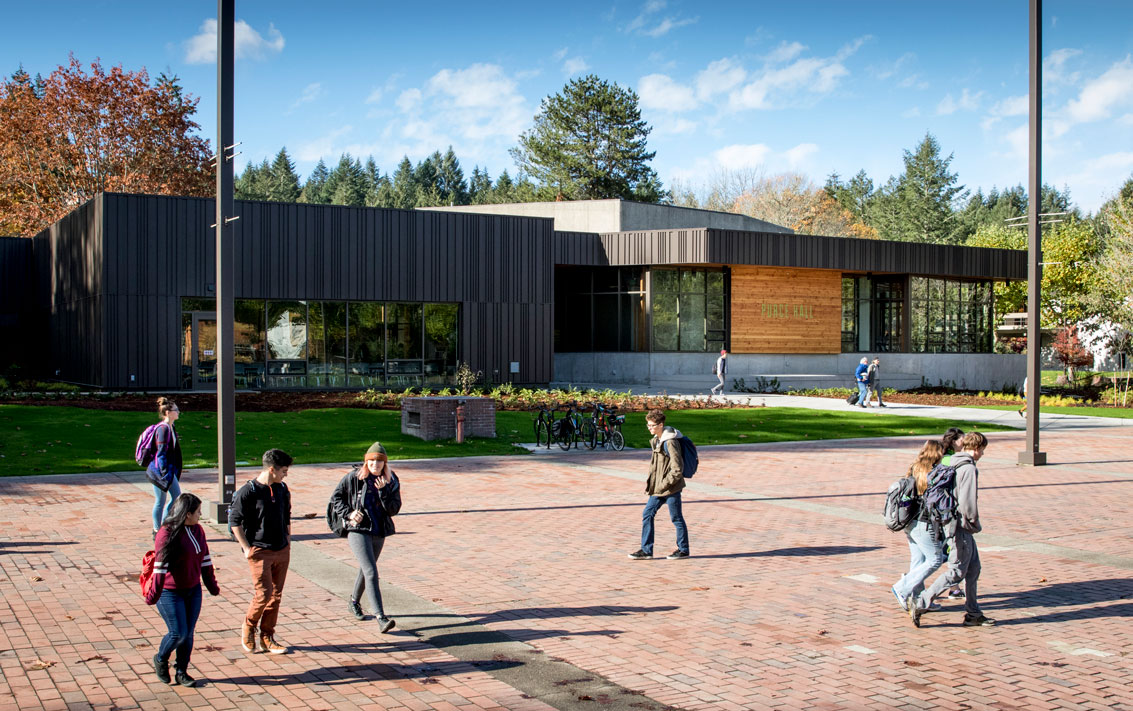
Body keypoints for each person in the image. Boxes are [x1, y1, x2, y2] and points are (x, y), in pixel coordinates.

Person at [910, 432, 994, 628]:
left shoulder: (950, 462)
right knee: (956, 571)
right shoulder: (968, 469)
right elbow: (967, 501)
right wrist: (973, 522)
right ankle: (921, 602)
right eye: (982, 450)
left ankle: (973, 613)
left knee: (973, 569)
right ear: (977, 448)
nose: (982, 454)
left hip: (950, 521)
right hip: (961, 525)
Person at [145, 493, 220, 687]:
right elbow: (160, 567)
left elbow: (205, 559)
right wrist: (153, 595)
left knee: (189, 633)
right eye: (197, 512)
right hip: (169, 592)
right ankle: (161, 659)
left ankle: (181, 671)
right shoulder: (166, 533)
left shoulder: (198, 530)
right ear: (187, 514)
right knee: (178, 633)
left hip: (192, 589)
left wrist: (211, 584)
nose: (200, 515)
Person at [329, 442, 402, 633]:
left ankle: (353, 601)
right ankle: (381, 617)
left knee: (366, 568)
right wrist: (350, 513)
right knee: (371, 571)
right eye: (371, 461)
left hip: (378, 530)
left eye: (379, 461)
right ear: (366, 461)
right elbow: (336, 498)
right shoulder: (354, 478)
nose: (375, 465)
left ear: (384, 463)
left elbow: (394, 509)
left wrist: (384, 492)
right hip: (358, 529)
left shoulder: (391, 481)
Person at [231, 448, 294, 654]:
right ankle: (249, 626)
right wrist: (247, 548)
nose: (286, 474)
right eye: (283, 470)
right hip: (260, 551)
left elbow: (287, 516)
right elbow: (235, 522)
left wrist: (288, 539)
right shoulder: (248, 491)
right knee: (263, 594)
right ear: (271, 469)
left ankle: (267, 636)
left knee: (276, 595)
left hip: (281, 548)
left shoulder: (282, 489)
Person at [890, 441, 945, 612]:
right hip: (923, 522)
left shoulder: (915, 467)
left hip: (909, 521)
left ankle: (918, 599)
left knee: (918, 561)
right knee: (936, 559)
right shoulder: (932, 473)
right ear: (938, 454)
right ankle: (902, 588)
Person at [628, 409, 689, 560]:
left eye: (652, 425)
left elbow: (677, 468)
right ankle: (646, 550)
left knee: (676, 518)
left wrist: (664, 484)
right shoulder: (657, 440)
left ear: (661, 425)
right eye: (648, 425)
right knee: (647, 514)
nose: (649, 428)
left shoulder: (670, 442)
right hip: (658, 488)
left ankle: (683, 550)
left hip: (671, 488)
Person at [147, 397, 183, 538]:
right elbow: (161, 453)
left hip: (167, 470)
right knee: (162, 500)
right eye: (176, 410)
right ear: (168, 412)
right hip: (159, 471)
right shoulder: (163, 429)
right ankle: (158, 530)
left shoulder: (171, 427)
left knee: (174, 496)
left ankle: (164, 526)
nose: (178, 411)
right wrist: (163, 473)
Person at [939, 427, 966, 600]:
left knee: (944, 550)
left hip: (944, 510)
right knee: (948, 549)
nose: (965, 444)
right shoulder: (951, 460)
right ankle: (912, 580)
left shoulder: (947, 458)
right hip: (947, 511)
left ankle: (913, 580)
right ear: (954, 441)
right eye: (962, 441)